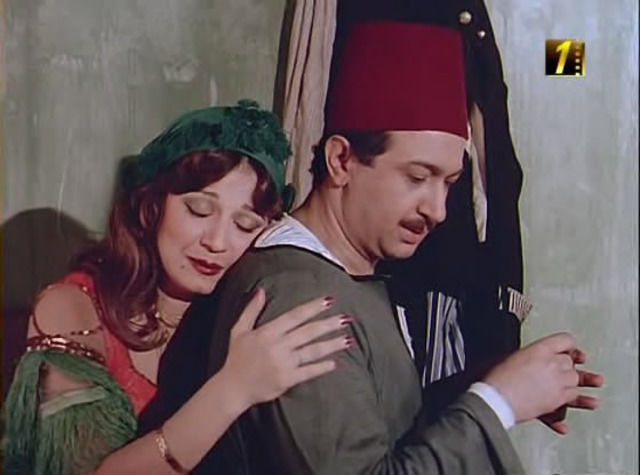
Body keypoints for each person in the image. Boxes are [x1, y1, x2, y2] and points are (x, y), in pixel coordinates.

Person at [181, 22, 603, 474]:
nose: (437, 210)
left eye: (450, 182)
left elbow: (383, 420)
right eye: (416, 177)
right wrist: (498, 402)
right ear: (341, 160)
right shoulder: (301, 297)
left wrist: (493, 382)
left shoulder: (346, 277)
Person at [2, 100, 353, 474]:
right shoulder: (74, 307)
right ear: (151, 207)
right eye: (199, 210)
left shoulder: (243, 316)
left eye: (245, 224)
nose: (216, 241)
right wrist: (232, 391)